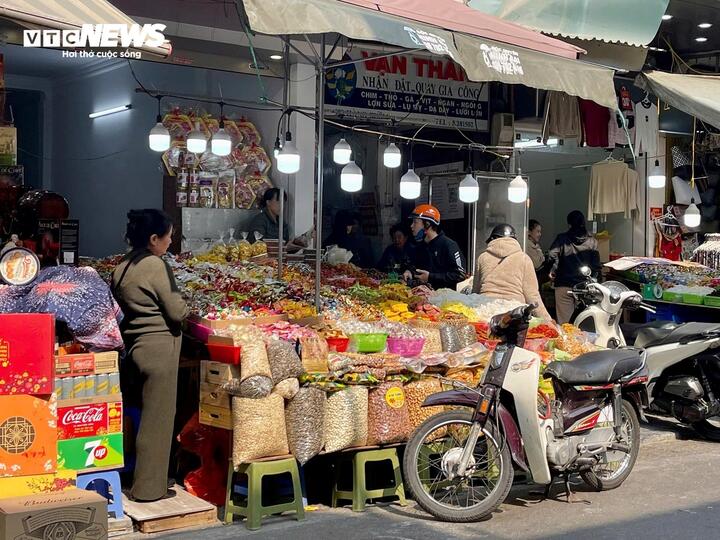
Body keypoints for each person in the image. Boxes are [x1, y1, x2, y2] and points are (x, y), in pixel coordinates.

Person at [111, 209, 189, 502]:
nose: (171, 242)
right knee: (158, 422)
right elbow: (176, 310)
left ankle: (137, 479)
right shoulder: (155, 266)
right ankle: (149, 489)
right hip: (160, 350)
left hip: (135, 348)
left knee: (143, 417)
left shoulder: (122, 267)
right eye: (168, 237)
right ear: (154, 239)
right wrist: (186, 305)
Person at [472, 224, 552, 320]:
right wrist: (547, 321)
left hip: (485, 310)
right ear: (514, 239)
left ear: (493, 239)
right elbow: (532, 295)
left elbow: (475, 291)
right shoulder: (524, 259)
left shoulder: (482, 257)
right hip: (514, 313)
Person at [548, 210, 602, 324]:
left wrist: (553, 269)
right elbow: (597, 266)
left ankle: (566, 341)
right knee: (583, 322)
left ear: (569, 224)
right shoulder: (592, 241)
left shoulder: (562, 239)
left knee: (564, 324)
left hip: (564, 285)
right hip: (584, 288)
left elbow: (551, 256)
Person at [403, 204, 466, 290]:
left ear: (427, 224)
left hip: (445, 299)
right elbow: (414, 265)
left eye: (415, 222)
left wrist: (431, 277)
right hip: (422, 296)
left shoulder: (449, 245)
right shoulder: (419, 246)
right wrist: (409, 271)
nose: (411, 226)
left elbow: (460, 275)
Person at [248, 188, 307, 252]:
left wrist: (297, 243)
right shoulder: (259, 221)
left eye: (283, 202)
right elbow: (258, 247)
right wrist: (284, 248)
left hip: (280, 260)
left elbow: (287, 247)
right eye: (278, 201)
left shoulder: (282, 222)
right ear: (268, 202)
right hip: (264, 260)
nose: (282, 205)